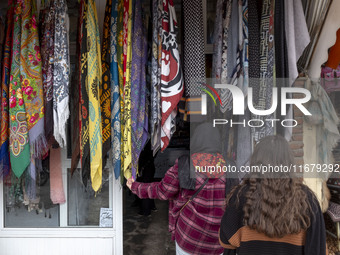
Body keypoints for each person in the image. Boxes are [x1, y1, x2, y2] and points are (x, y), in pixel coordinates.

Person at [126, 122, 238, 255]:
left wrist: (135, 186)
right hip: (216, 242)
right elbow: (236, 204)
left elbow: (162, 191)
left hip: (188, 237)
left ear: (196, 140)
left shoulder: (185, 164)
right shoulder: (231, 167)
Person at [219, 135, 327, 255]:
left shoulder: (239, 196)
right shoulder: (308, 199)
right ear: (289, 163)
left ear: (256, 162)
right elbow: (317, 249)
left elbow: (226, 241)